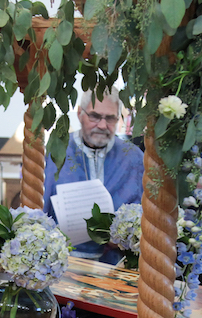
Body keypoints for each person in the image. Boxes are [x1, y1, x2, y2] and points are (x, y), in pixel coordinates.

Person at [42, 88, 144, 261]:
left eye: (110, 118)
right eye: (95, 116)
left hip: (116, 265)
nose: (102, 125)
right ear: (80, 114)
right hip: (63, 262)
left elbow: (147, 215)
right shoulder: (57, 151)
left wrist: (126, 236)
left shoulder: (133, 157)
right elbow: (39, 210)